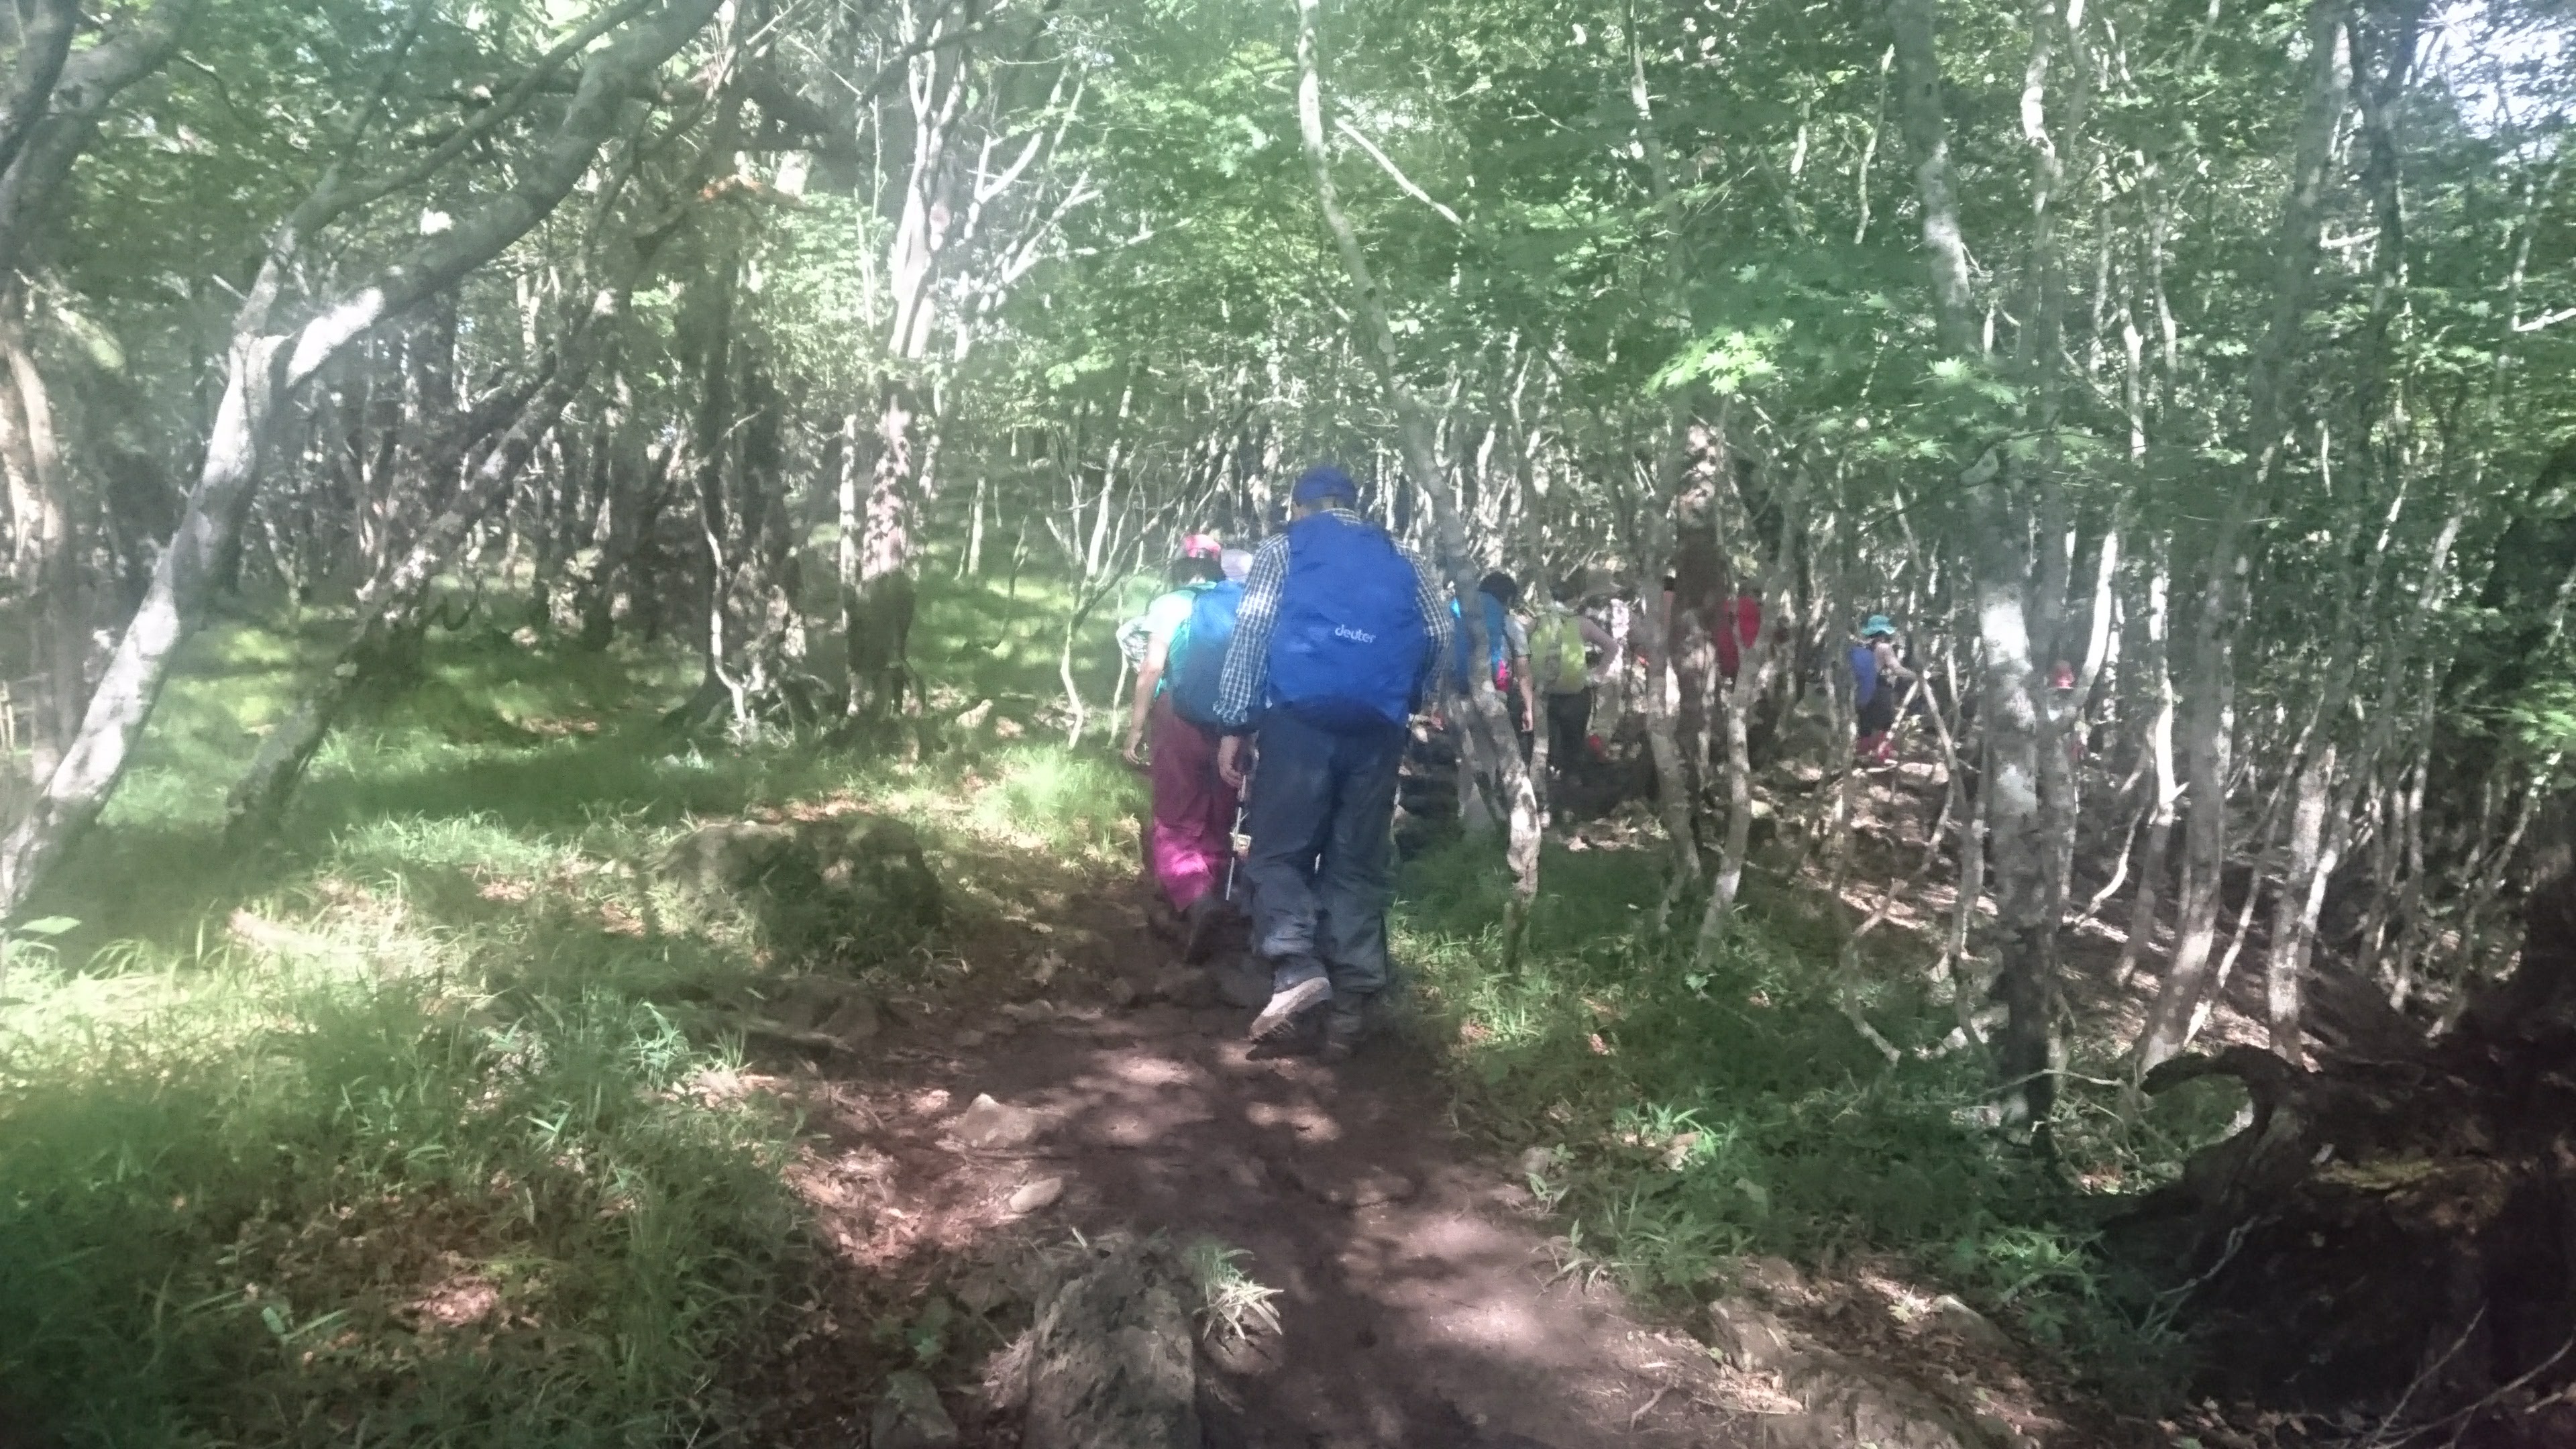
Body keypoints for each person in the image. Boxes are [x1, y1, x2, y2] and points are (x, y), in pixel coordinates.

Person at [1214, 466, 1454, 1060]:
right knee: (1356, 861)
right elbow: (1440, 632)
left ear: (1300, 506)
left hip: (1298, 722)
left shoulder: (1283, 549)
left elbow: (1253, 632)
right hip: (1378, 729)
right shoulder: (1403, 555)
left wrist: (1236, 722)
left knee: (1278, 851)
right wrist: (1411, 696)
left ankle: (1296, 970)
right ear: (1353, 504)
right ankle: (1349, 1011)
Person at [1122, 539, 1236, 955]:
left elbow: (1152, 667)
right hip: (1233, 723)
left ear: (1180, 566)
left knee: (1175, 817)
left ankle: (1194, 897)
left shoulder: (1170, 604)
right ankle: (1216, 891)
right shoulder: (1239, 603)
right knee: (1217, 814)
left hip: (1178, 718)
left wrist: (1135, 727)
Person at [1526, 576, 1615, 775]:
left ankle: (1544, 777)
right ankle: (1571, 779)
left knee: (1542, 741)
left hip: (1542, 692)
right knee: (1573, 742)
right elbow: (1612, 647)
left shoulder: (1537, 622)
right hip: (1575, 693)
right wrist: (1597, 675)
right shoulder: (1581, 623)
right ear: (1572, 600)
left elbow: (1520, 649)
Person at [1851, 614, 1915, 763]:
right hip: (1880, 689)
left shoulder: (1862, 647)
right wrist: (1918, 675)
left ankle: (1862, 755)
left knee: (1865, 723)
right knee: (1886, 724)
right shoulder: (1884, 648)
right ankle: (1882, 755)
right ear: (1885, 632)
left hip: (1862, 690)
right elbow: (1897, 669)